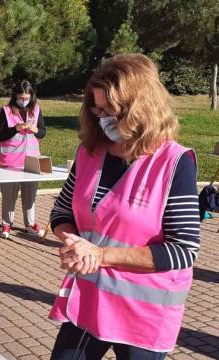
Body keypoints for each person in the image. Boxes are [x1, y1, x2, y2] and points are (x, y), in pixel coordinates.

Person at [48, 54, 200, 359]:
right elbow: (61, 213)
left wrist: (101, 255)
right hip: (90, 301)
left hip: (143, 315)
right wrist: (72, 242)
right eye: (97, 108)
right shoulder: (90, 152)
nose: (102, 118)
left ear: (140, 107)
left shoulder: (174, 162)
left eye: (111, 110)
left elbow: (184, 250)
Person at [0, 80, 46, 239]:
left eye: (26, 98)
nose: (23, 101)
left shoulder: (36, 110)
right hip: (10, 161)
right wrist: (16, 128)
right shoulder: (5, 111)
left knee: (30, 195)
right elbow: (0, 135)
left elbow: (43, 132)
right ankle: (6, 224)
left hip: (31, 160)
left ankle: (30, 224)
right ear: (15, 96)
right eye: (20, 98)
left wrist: (36, 130)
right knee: (9, 195)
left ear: (31, 97)